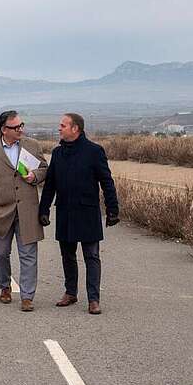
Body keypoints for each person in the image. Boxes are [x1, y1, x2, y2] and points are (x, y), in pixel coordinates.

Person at [38, 113, 119, 315]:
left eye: (63, 125)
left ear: (76, 129)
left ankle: (93, 299)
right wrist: (44, 209)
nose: (59, 128)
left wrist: (112, 210)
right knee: (67, 255)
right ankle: (70, 292)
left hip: (87, 212)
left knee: (91, 256)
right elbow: (50, 185)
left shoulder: (94, 151)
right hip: (65, 211)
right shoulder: (57, 153)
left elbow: (107, 182)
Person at [0, 110, 48, 312]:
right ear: (3, 129)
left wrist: (35, 176)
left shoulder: (32, 145)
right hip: (0, 211)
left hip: (27, 211)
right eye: (16, 127)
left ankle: (27, 296)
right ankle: (5, 287)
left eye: (21, 125)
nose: (20, 130)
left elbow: (44, 168)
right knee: (0, 253)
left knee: (28, 255)